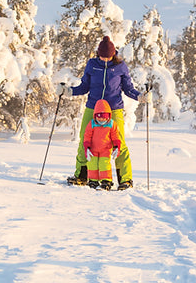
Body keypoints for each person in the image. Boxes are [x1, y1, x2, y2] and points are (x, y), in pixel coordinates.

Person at [57, 35, 146, 190]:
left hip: (114, 108)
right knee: (84, 138)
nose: (105, 60)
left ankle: (125, 179)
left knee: (119, 143)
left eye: (109, 57)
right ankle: (82, 176)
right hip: (93, 107)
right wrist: (68, 91)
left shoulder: (120, 66)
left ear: (113, 54)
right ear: (98, 54)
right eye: (103, 57)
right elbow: (84, 86)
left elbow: (128, 88)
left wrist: (141, 96)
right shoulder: (92, 64)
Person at [83, 99, 121, 191]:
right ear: (95, 116)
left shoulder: (112, 124)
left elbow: (115, 136)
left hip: (105, 149)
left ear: (108, 116)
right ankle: (93, 180)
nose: (101, 119)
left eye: (104, 117)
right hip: (92, 150)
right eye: (99, 117)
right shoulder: (92, 124)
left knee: (104, 165)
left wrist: (116, 147)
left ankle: (106, 181)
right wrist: (87, 148)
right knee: (92, 164)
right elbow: (87, 136)